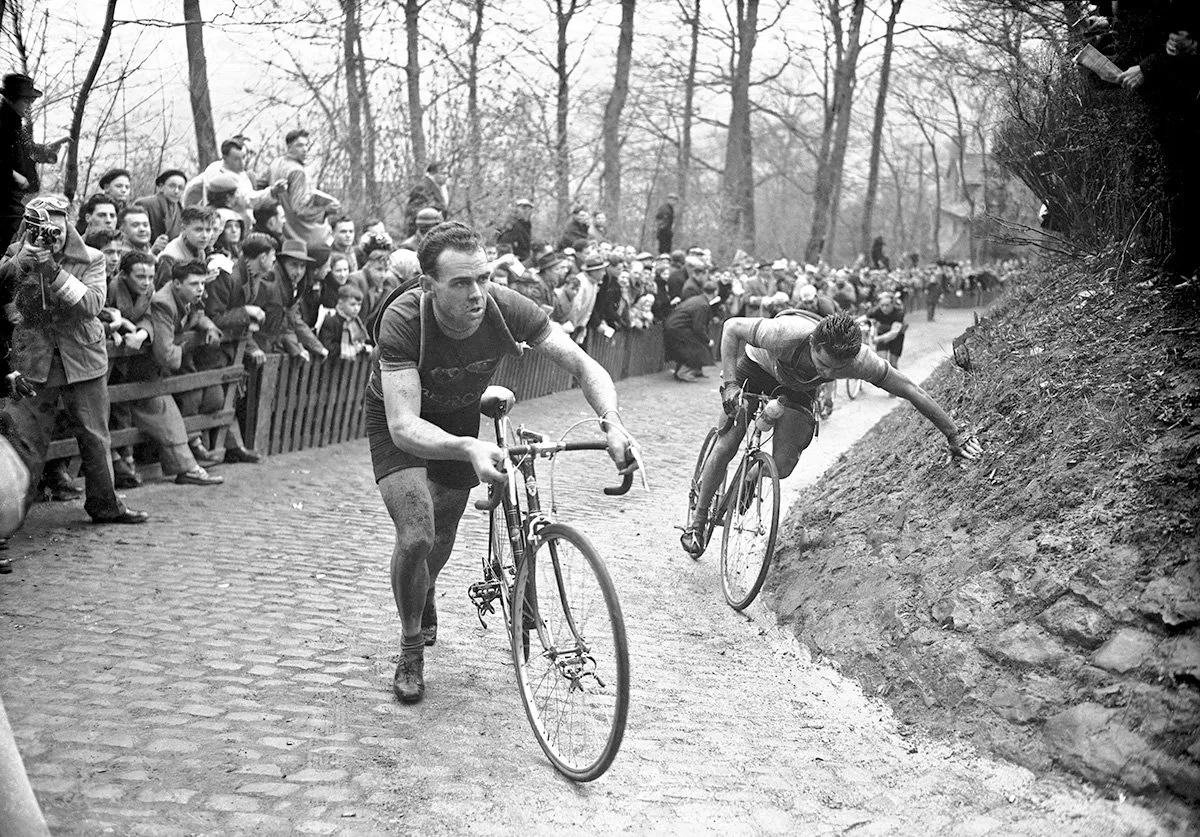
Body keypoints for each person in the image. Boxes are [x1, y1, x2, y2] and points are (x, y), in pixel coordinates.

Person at [367, 221, 636, 704]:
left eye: (484, 278)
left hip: (459, 410)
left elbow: (583, 364)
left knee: (442, 534)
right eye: (461, 283)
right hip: (400, 418)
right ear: (428, 286)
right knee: (417, 534)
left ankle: (424, 590)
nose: (477, 294)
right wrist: (469, 447)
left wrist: (612, 422)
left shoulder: (507, 307)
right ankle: (410, 645)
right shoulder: (405, 319)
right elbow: (404, 425)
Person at [680, 310, 980, 557]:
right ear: (813, 342)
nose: (827, 373)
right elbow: (731, 327)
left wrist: (953, 434)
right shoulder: (784, 333)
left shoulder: (862, 361)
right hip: (757, 369)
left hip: (797, 387)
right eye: (822, 363)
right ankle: (699, 521)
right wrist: (731, 385)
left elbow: (911, 390)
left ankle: (752, 477)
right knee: (729, 441)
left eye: (837, 370)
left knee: (783, 465)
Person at [0, 195, 150, 524]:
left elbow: (92, 304)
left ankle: (106, 505)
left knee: (95, 437)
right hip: (34, 360)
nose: (51, 237)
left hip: (82, 357)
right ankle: (9, 519)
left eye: (58, 228)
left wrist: (53, 271)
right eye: (43, 229)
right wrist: (21, 262)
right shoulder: (15, 254)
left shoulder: (92, 258)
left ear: (69, 225)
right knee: (25, 441)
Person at [107, 252, 223, 487]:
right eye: (195, 283)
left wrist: (209, 327)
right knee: (164, 414)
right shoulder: (164, 301)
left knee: (179, 408)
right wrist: (187, 345)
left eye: (203, 283)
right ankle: (187, 468)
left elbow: (197, 314)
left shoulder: (184, 294)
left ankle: (188, 465)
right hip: (135, 372)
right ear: (177, 283)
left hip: (151, 373)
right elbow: (166, 355)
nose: (200, 288)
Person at [0, 73, 68, 252]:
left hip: (21, 199)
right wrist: (13, 175)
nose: (29, 107)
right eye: (26, 101)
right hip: (6, 203)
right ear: (11, 98)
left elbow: (27, 150)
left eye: (31, 102)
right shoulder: (2, 122)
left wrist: (47, 152)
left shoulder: (16, 123)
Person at [266, 128, 340, 250]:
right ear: (289, 147)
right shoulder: (297, 171)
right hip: (302, 236)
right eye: (300, 145)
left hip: (282, 230)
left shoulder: (276, 163)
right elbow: (299, 210)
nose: (305, 149)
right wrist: (325, 210)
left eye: (306, 145)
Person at [664, 278, 720, 382]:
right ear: (715, 292)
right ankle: (683, 372)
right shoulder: (702, 304)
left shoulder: (699, 300)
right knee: (698, 347)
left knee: (696, 344)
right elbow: (698, 327)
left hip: (673, 325)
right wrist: (708, 340)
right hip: (677, 328)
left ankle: (696, 371)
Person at [155, 205, 213, 288]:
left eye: (208, 230)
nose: (205, 235)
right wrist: (203, 281)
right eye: (198, 230)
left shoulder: (198, 247)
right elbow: (165, 290)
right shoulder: (170, 257)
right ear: (183, 229)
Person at [134, 168, 187, 251]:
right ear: (161, 187)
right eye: (172, 186)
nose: (176, 191)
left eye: (180, 188)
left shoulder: (181, 210)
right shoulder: (146, 204)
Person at [318, 282, 369, 360]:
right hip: (330, 363)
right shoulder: (332, 320)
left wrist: (362, 348)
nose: (356, 308)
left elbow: (361, 340)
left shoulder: (356, 322)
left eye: (359, 304)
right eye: (352, 304)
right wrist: (351, 348)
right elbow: (328, 345)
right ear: (341, 304)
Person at [404, 161, 449, 235]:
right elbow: (414, 214)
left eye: (447, 174)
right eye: (443, 173)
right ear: (433, 173)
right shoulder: (422, 187)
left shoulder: (440, 188)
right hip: (422, 233)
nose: (446, 176)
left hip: (433, 233)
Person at [867, 291, 905, 368]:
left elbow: (894, 333)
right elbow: (866, 319)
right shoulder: (875, 311)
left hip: (897, 337)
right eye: (882, 305)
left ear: (893, 304)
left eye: (887, 305)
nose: (884, 308)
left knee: (893, 364)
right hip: (882, 333)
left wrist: (878, 338)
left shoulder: (899, 313)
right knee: (882, 363)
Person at [494, 198, 533, 262]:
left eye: (528, 209)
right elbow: (503, 244)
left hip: (525, 259)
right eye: (523, 208)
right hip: (514, 261)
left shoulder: (527, 225)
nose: (526, 211)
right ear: (517, 210)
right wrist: (514, 257)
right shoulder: (513, 225)